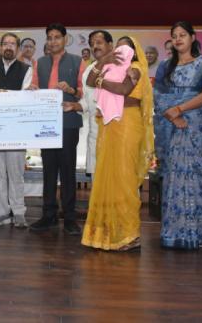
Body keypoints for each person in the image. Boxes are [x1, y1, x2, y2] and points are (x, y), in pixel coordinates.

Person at [82, 36, 153, 251]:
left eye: (126, 46)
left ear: (133, 51)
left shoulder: (136, 68)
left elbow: (123, 90)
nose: (121, 50)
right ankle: (108, 234)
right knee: (107, 176)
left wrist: (101, 82)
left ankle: (129, 235)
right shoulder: (109, 66)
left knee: (124, 179)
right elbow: (89, 81)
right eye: (118, 46)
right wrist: (104, 62)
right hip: (109, 126)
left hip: (127, 125)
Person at [153, 21, 202, 250]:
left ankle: (197, 233)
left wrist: (181, 109)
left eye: (182, 35)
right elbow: (158, 96)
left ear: (193, 37)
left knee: (196, 176)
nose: (178, 39)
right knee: (173, 178)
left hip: (197, 128)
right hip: (171, 127)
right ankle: (172, 233)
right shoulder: (164, 66)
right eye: (174, 36)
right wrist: (173, 116)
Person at [30, 23, 86, 235]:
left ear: (65, 39)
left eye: (57, 37)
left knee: (68, 171)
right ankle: (49, 215)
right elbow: (34, 87)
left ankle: (70, 217)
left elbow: (84, 93)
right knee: (49, 171)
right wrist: (32, 90)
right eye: (50, 37)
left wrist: (71, 89)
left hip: (68, 122)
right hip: (46, 124)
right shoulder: (39, 63)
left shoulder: (78, 61)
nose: (53, 41)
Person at [0, 32, 32, 228]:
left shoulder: (26, 69)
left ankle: (18, 212)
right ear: (0, 47)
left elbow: (27, 97)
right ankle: (2, 212)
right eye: (5, 44)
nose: (9, 47)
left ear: (18, 49)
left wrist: (7, 94)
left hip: (16, 129)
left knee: (16, 173)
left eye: (12, 44)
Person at [79, 31, 108, 178]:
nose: (95, 46)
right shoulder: (89, 70)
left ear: (110, 45)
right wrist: (76, 106)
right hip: (95, 131)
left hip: (115, 130)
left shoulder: (121, 67)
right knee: (97, 180)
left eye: (99, 42)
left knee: (117, 177)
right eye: (92, 44)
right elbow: (87, 99)